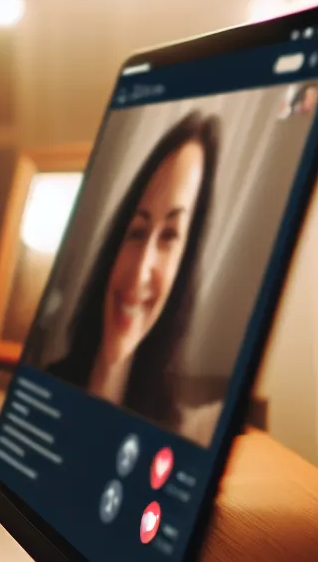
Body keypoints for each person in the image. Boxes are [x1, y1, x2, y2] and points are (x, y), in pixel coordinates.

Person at [40, 113, 221, 442]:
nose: (139, 273)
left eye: (169, 236)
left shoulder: (177, 435)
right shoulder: (45, 387)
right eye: (137, 231)